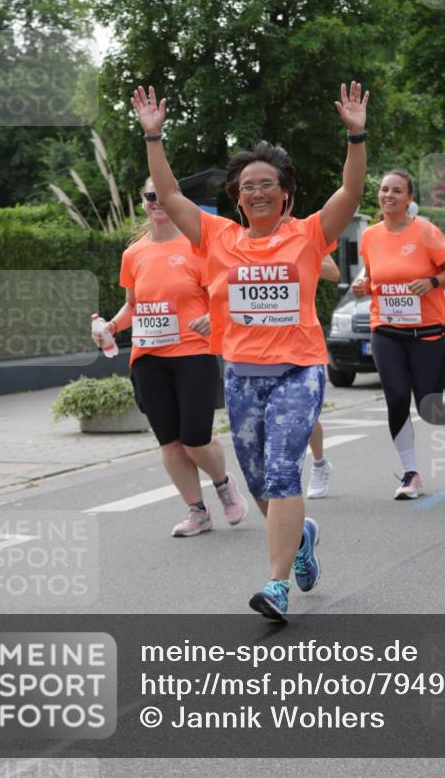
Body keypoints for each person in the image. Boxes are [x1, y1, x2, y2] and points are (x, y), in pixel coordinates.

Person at [133, 81, 369, 621]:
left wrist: (357, 136)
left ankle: (276, 584)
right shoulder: (216, 237)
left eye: (268, 184)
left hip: (298, 370)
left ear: (286, 192)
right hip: (241, 376)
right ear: (237, 197)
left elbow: (351, 195)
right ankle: (302, 535)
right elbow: (169, 197)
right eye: (247, 186)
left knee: (284, 470)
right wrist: (154, 137)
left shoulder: (309, 235)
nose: (258, 192)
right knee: (262, 482)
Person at [92, 176, 248, 537]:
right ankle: (197, 511)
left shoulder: (197, 246)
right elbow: (133, 304)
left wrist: (216, 316)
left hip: (193, 353)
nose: (157, 201)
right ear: (143, 201)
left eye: (164, 195)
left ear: (176, 198)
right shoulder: (134, 253)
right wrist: (112, 327)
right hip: (148, 358)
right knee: (170, 441)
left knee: (195, 437)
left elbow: (223, 294)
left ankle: (224, 484)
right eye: (150, 195)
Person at [354, 169, 445, 502]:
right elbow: (371, 278)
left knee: (428, 405)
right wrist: (363, 287)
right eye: (385, 190)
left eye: (397, 191)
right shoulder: (370, 236)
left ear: (409, 198)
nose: (389, 195)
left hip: (426, 329)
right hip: (385, 328)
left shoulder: (425, 231)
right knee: (397, 398)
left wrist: (430, 283)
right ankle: (411, 473)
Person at [306, 252, 341, 499]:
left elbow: (333, 272)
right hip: (257, 342)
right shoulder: (248, 235)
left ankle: (319, 464)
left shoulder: (305, 235)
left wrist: (298, 255)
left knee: (304, 414)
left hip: (301, 342)